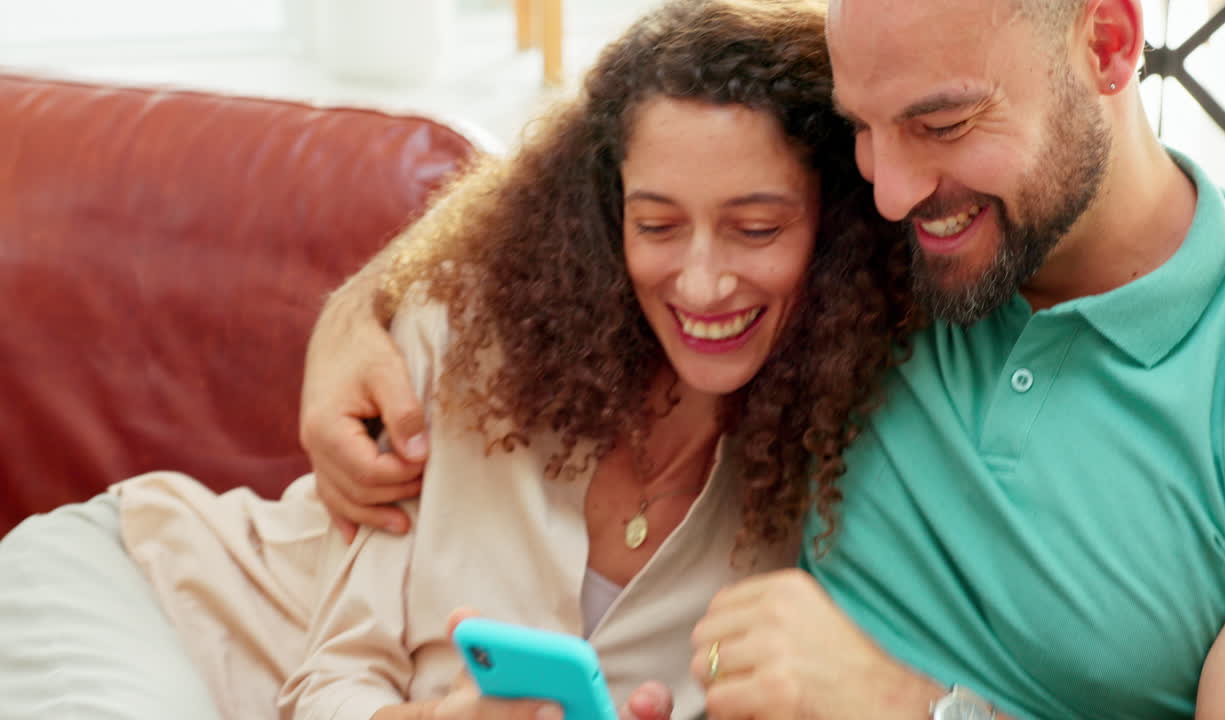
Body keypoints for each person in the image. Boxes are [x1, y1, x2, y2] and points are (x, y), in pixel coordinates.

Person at [309, 0, 1225, 717]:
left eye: (940, 126)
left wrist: (913, 709)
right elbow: (619, 154)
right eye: (862, 129)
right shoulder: (874, 235)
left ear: (1106, 45)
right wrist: (360, 308)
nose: (893, 191)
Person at [0, 1, 918, 719]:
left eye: (757, 227)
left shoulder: (841, 460)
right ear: (607, 221)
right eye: (657, 225)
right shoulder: (484, 338)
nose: (705, 282)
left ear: (833, 229)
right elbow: (331, 681)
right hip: (155, 602)